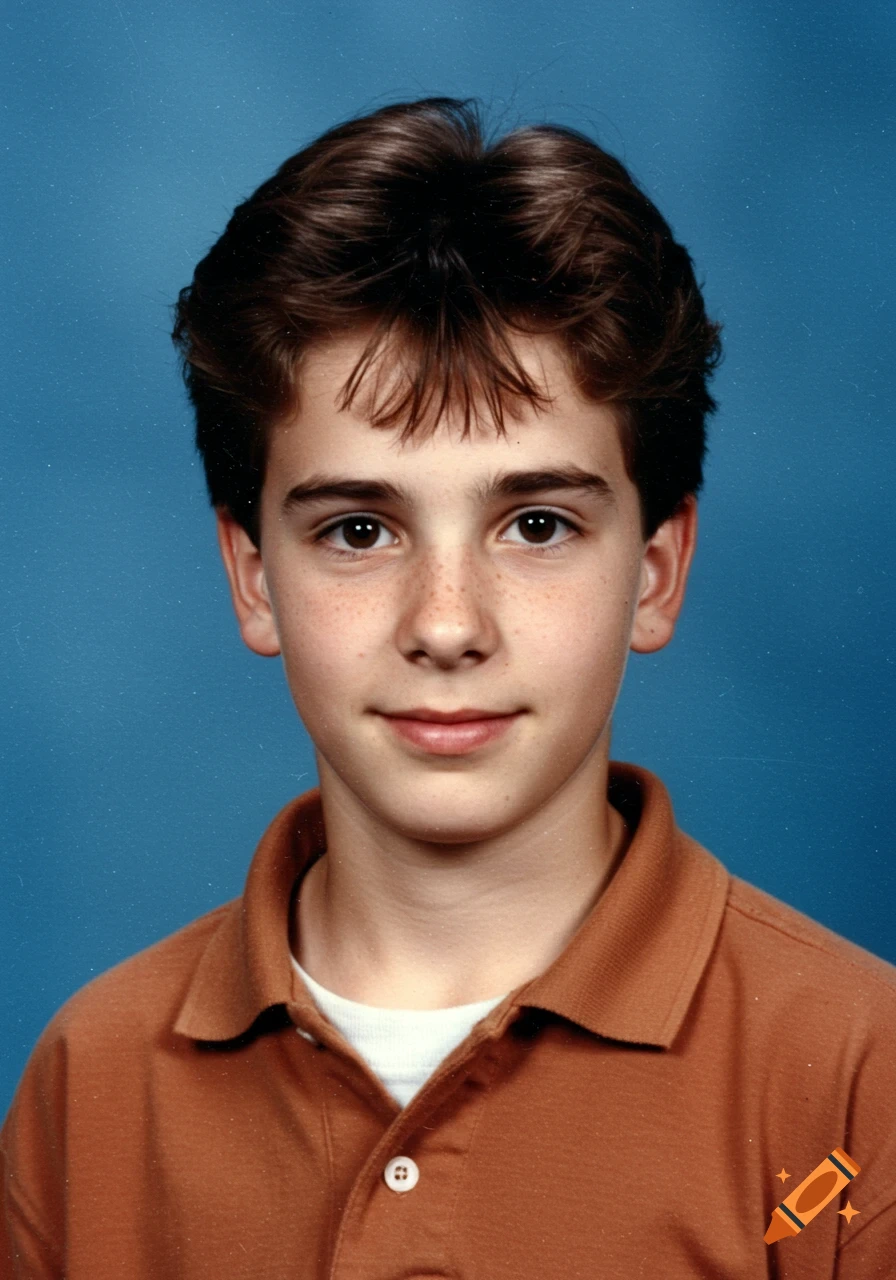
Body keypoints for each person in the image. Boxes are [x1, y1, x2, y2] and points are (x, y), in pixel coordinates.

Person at [2, 96, 894, 1279]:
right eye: (359, 529)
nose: (445, 624)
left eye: (536, 524)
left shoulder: (856, 1071)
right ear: (253, 576)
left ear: (655, 571)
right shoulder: (93, 1081)